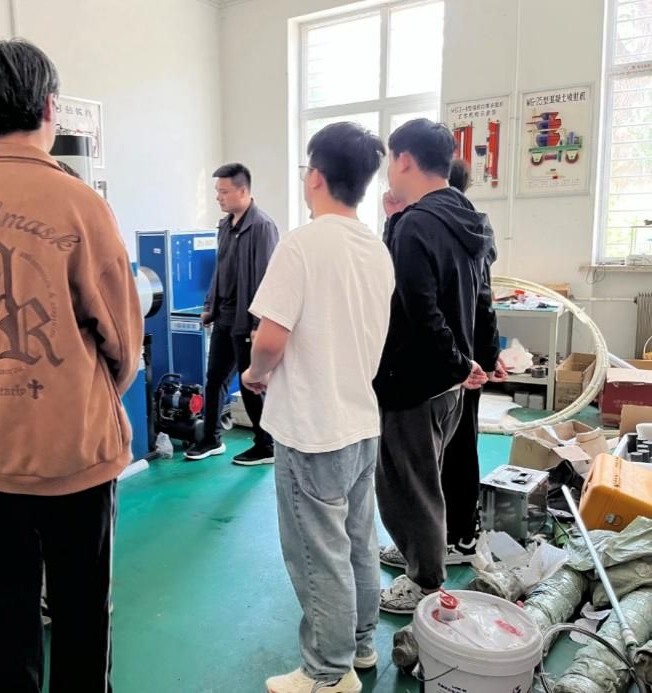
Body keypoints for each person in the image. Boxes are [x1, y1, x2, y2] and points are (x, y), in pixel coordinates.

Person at [0, 39, 143, 692]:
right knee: (81, 612)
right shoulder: (78, 202)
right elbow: (122, 339)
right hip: (75, 454)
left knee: (2, 618)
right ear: (49, 107)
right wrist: (78, 389)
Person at [242, 123, 394, 693]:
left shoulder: (302, 244)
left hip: (311, 426)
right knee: (357, 540)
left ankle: (327, 673)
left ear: (315, 177)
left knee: (318, 554)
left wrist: (255, 375)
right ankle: (360, 646)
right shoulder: (375, 247)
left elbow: (270, 339)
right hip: (360, 421)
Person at [373, 119, 495, 615]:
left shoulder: (417, 225)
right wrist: (471, 361)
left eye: (391, 160)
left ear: (404, 159)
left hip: (414, 380)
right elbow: (481, 300)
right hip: (449, 383)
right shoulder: (469, 218)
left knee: (407, 483)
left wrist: (457, 361)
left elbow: (418, 310)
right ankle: (417, 550)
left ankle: (424, 579)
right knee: (429, 476)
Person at [186, 163, 279, 465]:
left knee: (250, 383)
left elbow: (266, 278)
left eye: (224, 191)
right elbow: (220, 271)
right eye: (217, 191)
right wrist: (209, 307)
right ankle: (211, 439)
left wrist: (258, 323)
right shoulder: (226, 226)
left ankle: (266, 445)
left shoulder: (262, 226)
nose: (218, 197)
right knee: (214, 379)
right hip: (224, 317)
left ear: (243, 190)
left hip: (246, 320)